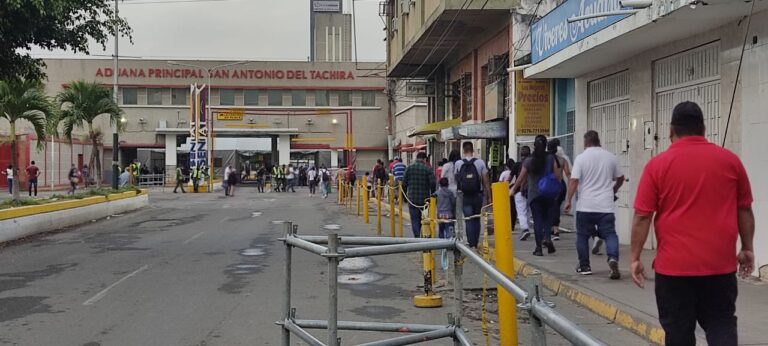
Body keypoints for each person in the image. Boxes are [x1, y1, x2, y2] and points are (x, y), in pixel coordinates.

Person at [629, 102, 755, 346]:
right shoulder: (731, 161)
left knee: (678, 333)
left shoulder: (657, 165)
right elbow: (745, 209)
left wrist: (634, 257)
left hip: (674, 271)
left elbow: (643, 216)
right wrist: (747, 247)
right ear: (703, 128)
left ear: (670, 130)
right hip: (719, 267)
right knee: (721, 323)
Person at [563, 131, 623, 277]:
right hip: (606, 206)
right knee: (610, 234)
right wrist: (613, 190)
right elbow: (620, 178)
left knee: (582, 236)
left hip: (586, 206)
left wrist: (568, 200)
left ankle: (584, 266)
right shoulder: (610, 157)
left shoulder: (581, 158)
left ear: (586, 142)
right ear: (598, 140)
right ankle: (613, 258)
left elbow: (574, 180)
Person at [511, 136, 563, 256]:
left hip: (535, 195)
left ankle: (538, 248)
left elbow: (520, 178)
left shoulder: (529, 160)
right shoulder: (551, 158)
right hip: (549, 194)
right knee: (547, 219)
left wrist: (513, 189)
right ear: (545, 145)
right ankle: (548, 238)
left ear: (534, 145)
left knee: (537, 220)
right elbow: (557, 175)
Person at [454, 142, 492, 249]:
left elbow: (456, 179)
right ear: (472, 150)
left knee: (469, 219)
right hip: (477, 195)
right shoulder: (480, 163)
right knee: (476, 218)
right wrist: (489, 196)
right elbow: (485, 180)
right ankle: (475, 242)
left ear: (463, 150)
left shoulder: (458, 163)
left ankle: (471, 244)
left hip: (465, 196)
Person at [402, 152, 435, 238]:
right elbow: (433, 184)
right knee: (424, 219)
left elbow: (404, 184)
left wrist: (404, 196)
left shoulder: (409, 168)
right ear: (424, 159)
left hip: (412, 198)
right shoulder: (428, 169)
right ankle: (425, 235)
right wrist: (433, 196)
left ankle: (417, 237)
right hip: (425, 200)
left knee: (415, 220)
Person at [548, 139, 572, 241]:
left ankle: (553, 229)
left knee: (550, 208)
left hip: (549, 185)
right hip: (561, 185)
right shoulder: (563, 160)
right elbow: (568, 174)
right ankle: (555, 228)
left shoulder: (546, 159)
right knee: (556, 207)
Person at [514, 146, 532, 240]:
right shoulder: (534, 162)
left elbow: (521, 178)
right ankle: (527, 227)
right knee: (528, 211)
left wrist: (516, 188)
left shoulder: (519, 164)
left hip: (522, 191)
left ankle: (525, 229)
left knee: (521, 211)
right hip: (532, 191)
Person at [499, 158, 518, 234]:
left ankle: (506, 224)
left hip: (505, 193)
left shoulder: (504, 173)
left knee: (505, 209)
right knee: (513, 209)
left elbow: (500, 182)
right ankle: (512, 225)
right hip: (514, 192)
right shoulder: (516, 173)